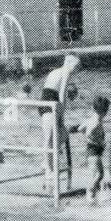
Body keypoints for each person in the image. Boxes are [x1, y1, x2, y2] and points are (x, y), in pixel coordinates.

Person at [40, 54, 80, 186]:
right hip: (51, 102)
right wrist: (62, 113)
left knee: (61, 134)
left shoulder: (55, 71)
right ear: (68, 63)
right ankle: (49, 169)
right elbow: (62, 94)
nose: (76, 69)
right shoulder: (65, 72)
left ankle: (47, 161)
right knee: (50, 138)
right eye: (75, 66)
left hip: (47, 101)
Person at [84, 95, 111, 204]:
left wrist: (91, 139)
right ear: (104, 112)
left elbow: (81, 128)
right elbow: (89, 132)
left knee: (97, 174)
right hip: (94, 151)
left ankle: (92, 195)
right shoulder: (97, 123)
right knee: (99, 174)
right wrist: (98, 141)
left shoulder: (92, 119)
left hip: (93, 150)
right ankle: (90, 190)